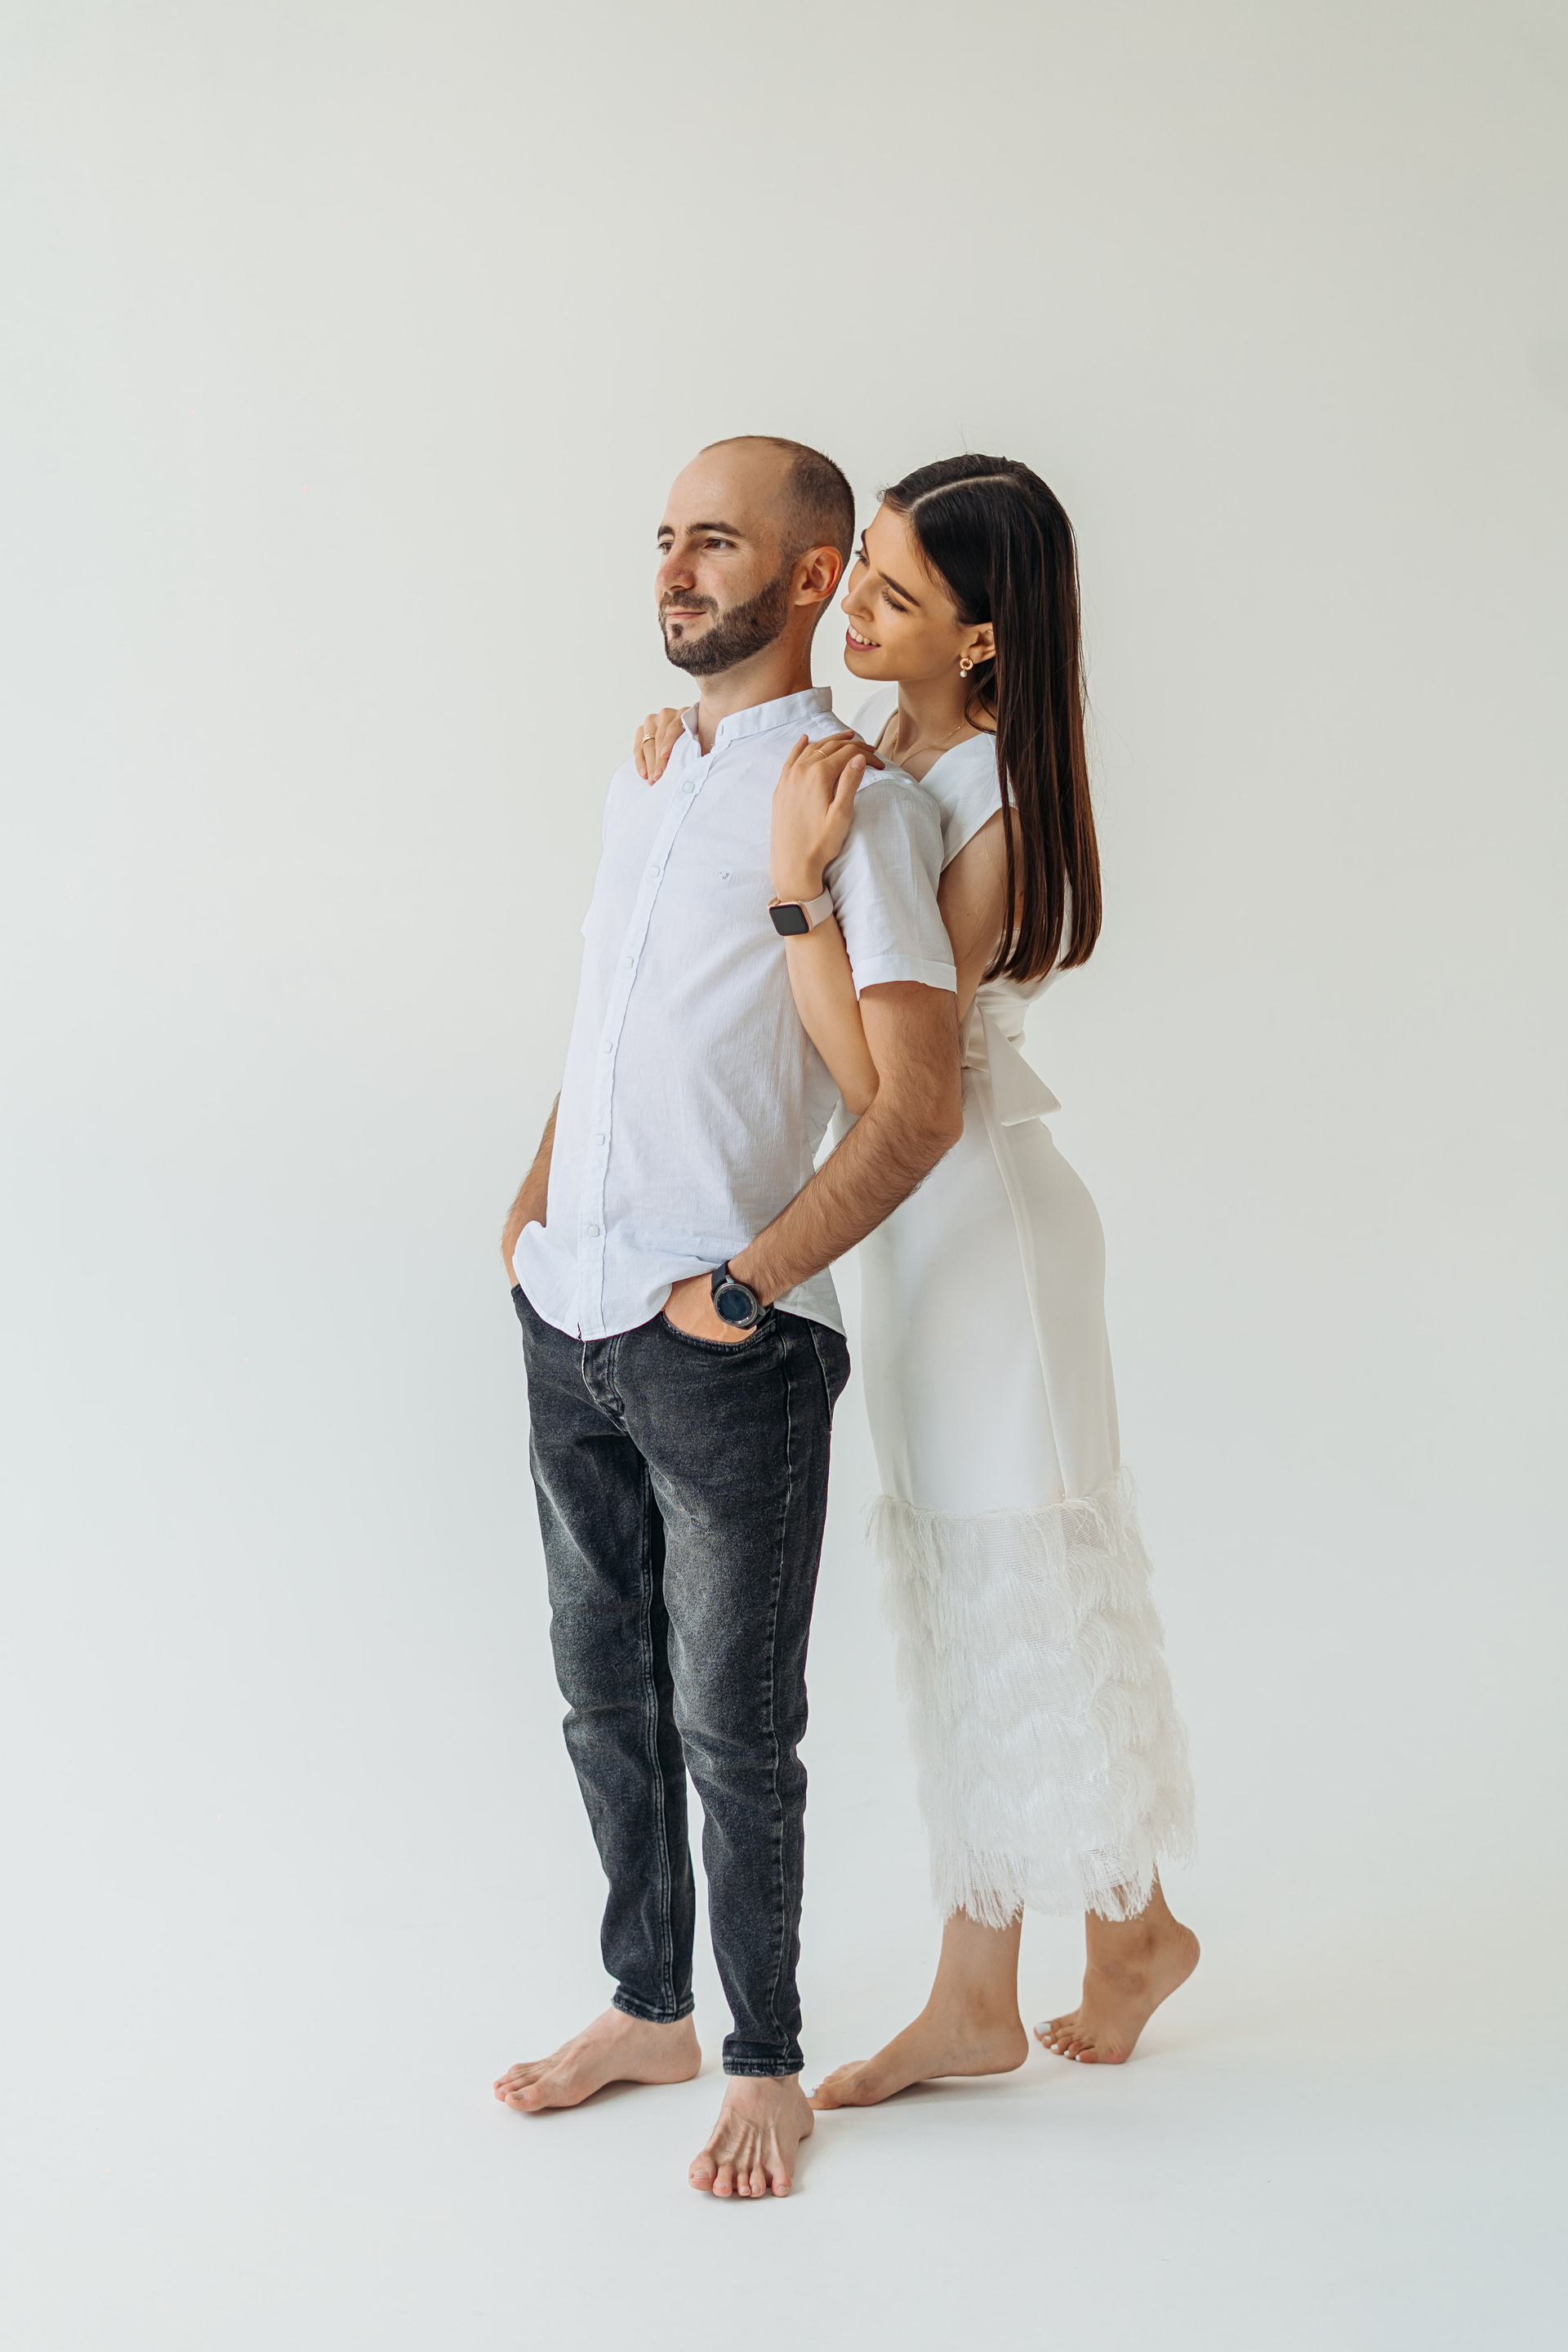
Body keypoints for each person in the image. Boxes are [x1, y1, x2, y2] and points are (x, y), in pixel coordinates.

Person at [633, 454, 1197, 2108]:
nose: (859, 611)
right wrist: (689, 762)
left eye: (895, 592)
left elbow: (889, 1082)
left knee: (1031, 1591)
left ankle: (1093, 1949)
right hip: (917, 1240)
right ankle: (1027, 1970)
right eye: (863, 572)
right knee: (966, 1596)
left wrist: (793, 889)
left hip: (987, 1232)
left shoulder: (990, 801)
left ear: (985, 639)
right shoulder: (892, 750)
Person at [493, 435, 964, 2196]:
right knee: (599, 1698)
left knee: (735, 1729)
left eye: (715, 542)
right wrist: (532, 1207)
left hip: (725, 1343)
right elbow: (614, 1021)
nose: (676, 571)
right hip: (571, 1306)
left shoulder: (857, 804)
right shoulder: (649, 773)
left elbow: (914, 1107)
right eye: (665, 540)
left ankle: (763, 2059)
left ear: (815, 577)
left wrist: (749, 1284)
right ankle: (649, 2009)